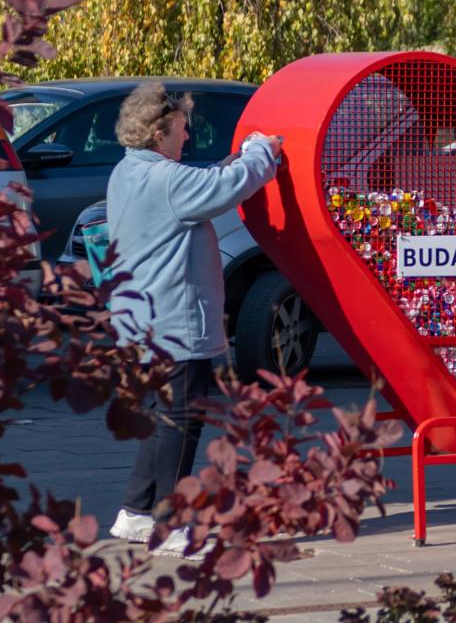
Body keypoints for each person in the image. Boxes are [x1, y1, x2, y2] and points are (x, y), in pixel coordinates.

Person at [103, 82, 282, 556]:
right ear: (160, 131)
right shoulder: (169, 182)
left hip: (140, 323)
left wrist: (229, 163)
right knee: (181, 421)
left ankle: (135, 513)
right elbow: (222, 189)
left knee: (158, 419)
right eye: (182, 129)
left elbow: (202, 184)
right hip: (176, 324)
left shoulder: (129, 172)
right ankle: (170, 525)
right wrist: (261, 153)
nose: (187, 138)